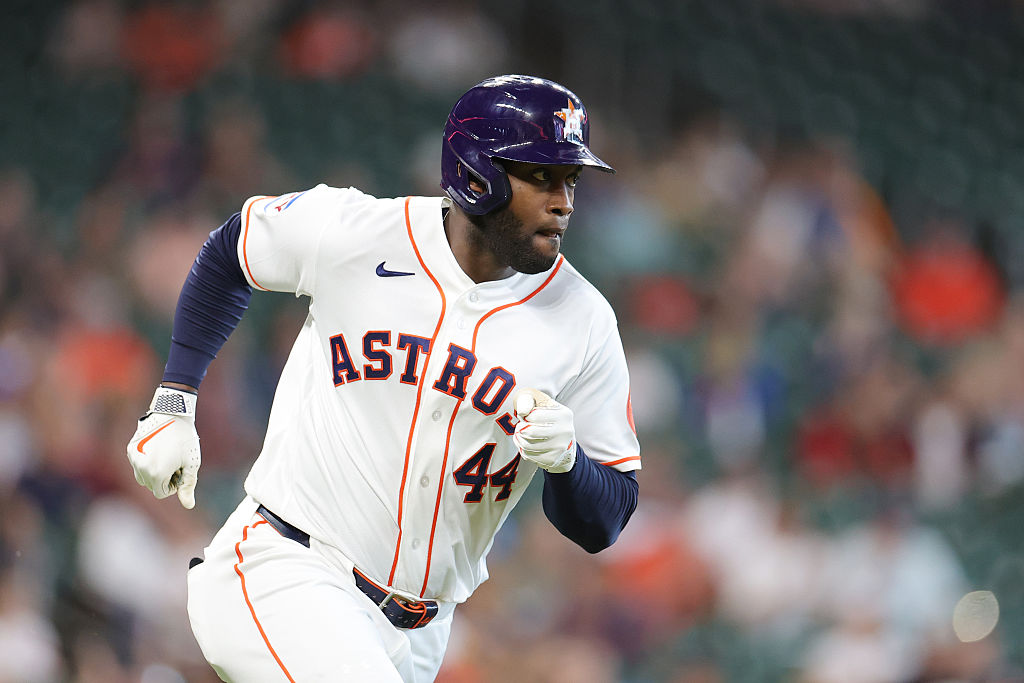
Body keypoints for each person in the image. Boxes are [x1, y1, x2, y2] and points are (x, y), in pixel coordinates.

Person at [126, 74, 641, 682]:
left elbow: (605, 519)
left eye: (570, 179)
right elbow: (232, 250)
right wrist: (173, 401)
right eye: (540, 176)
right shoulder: (358, 231)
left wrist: (567, 462)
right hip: (287, 568)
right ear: (477, 173)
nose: (564, 201)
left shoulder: (583, 320)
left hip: (421, 632)